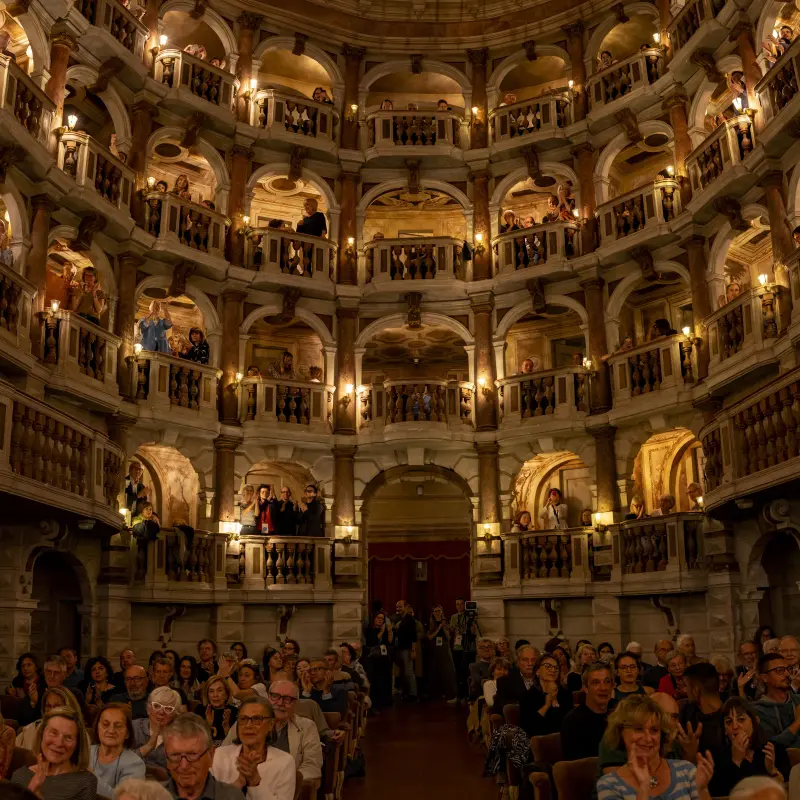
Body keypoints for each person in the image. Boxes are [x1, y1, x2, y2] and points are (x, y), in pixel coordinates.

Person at [596, 694, 715, 800]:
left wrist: (702, 790)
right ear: (621, 732)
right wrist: (643, 789)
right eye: (639, 729)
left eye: (654, 730)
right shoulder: (609, 785)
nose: (648, 738)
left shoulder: (686, 771)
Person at [211, 697, 295, 799]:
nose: (248, 725)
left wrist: (255, 783)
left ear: (271, 724)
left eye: (257, 719)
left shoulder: (285, 762)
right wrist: (239, 782)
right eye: (243, 719)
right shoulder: (220, 754)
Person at [708, 697, 789, 797]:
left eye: (741, 719)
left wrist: (772, 770)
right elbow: (718, 794)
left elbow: (787, 790)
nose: (735, 726)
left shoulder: (773, 749)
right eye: (729, 722)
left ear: (755, 722)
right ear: (725, 730)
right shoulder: (716, 758)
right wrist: (736, 761)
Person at [11, 707, 96, 799]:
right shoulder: (19, 776)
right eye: (53, 733)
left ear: (77, 745)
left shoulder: (85, 782)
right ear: (42, 734)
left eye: (68, 737)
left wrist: (36, 795)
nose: (59, 743)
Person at [161, 714, 241, 800]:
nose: (184, 766)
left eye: (192, 755)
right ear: (166, 759)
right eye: (175, 755)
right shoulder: (152, 796)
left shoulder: (232, 797)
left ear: (211, 755)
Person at [267, 680, 322, 784]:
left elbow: (312, 767)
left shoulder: (307, 727)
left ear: (296, 703)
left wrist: (287, 781)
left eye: (287, 699)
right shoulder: (247, 722)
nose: (279, 703)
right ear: (268, 697)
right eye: (275, 696)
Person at [561, 662, 614, 761]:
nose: (603, 688)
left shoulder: (620, 712)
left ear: (612, 686)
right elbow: (576, 766)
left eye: (607, 681)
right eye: (595, 682)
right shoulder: (572, 721)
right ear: (585, 688)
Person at [90, 704, 145, 797]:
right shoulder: (85, 752)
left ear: (127, 733)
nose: (111, 730)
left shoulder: (135, 764)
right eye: (105, 724)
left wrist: (91, 778)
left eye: (118, 726)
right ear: (97, 728)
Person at [17, 655, 85, 726]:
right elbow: (23, 722)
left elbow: (79, 722)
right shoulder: (36, 691)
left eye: (56, 672)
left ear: (64, 675)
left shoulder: (75, 694)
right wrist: (33, 703)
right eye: (49, 671)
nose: (52, 676)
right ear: (44, 673)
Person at [752, 653, 800, 747]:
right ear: (764, 677)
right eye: (780, 670)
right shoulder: (757, 710)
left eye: (788, 669)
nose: (787, 674)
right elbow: (770, 746)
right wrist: (797, 723)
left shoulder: (798, 700)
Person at [681, 662, 725, 764]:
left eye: (686, 686)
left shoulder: (730, 719)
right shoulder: (687, 711)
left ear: (696, 690)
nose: (685, 690)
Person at [15, 687, 85, 751]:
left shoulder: (78, 734)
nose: (52, 710)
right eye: (48, 706)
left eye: (57, 706)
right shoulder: (32, 729)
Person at [521, 652, 573, 737]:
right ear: (537, 671)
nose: (553, 670)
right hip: (537, 743)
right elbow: (530, 728)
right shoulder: (528, 696)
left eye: (556, 668)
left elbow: (568, 724)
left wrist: (555, 700)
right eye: (548, 666)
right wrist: (547, 705)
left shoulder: (565, 694)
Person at [132, 686, 181, 768]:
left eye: (168, 708)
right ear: (148, 709)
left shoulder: (180, 736)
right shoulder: (133, 727)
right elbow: (119, 760)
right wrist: (147, 747)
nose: (161, 712)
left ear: (175, 714)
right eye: (157, 706)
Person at [491, 644, 538, 713]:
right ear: (518, 662)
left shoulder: (545, 680)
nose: (530, 663)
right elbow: (498, 708)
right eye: (525, 660)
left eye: (533, 660)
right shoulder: (504, 681)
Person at [426, 605, 458, 701]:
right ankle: (436, 693)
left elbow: (448, 638)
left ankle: (451, 693)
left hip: (444, 647)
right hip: (434, 648)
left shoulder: (446, 621)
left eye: (439, 611)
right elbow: (429, 637)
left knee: (448, 670)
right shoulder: (430, 622)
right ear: (432, 612)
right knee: (435, 670)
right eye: (435, 611)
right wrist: (438, 628)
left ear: (442, 611)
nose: (437, 612)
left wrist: (443, 627)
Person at [365, 611, 393, 709]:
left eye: (382, 618)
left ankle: (385, 700)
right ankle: (375, 701)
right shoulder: (370, 630)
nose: (380, 620)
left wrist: (389, 632)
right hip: (374, 657)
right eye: (378, 618)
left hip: (384, 657)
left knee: (385, 678)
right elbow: (372, 641)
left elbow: (390, 642)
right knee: (376, 679)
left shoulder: (385, 629)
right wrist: (381, 632)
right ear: (374, 619)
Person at [202, 676, 238, 747]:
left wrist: (227, 728)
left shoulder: (234, 712)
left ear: (226, 694)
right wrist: (207, 724)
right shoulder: (200, 710)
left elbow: (236, 744)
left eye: (219, 690)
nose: (215, 695)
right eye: (211, 691)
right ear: (207, 695)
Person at [393, 604, 418, 702]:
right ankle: (406, 692)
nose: (398, 608)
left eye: (400, 606)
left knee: (409, 672)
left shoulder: (409, 619)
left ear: (406, 607)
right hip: (401, 648)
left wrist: (413, 650)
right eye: (397, 607)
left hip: (407, 649)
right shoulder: (401, 620)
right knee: (405, 672)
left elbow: (413, 636)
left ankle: (413, 695)